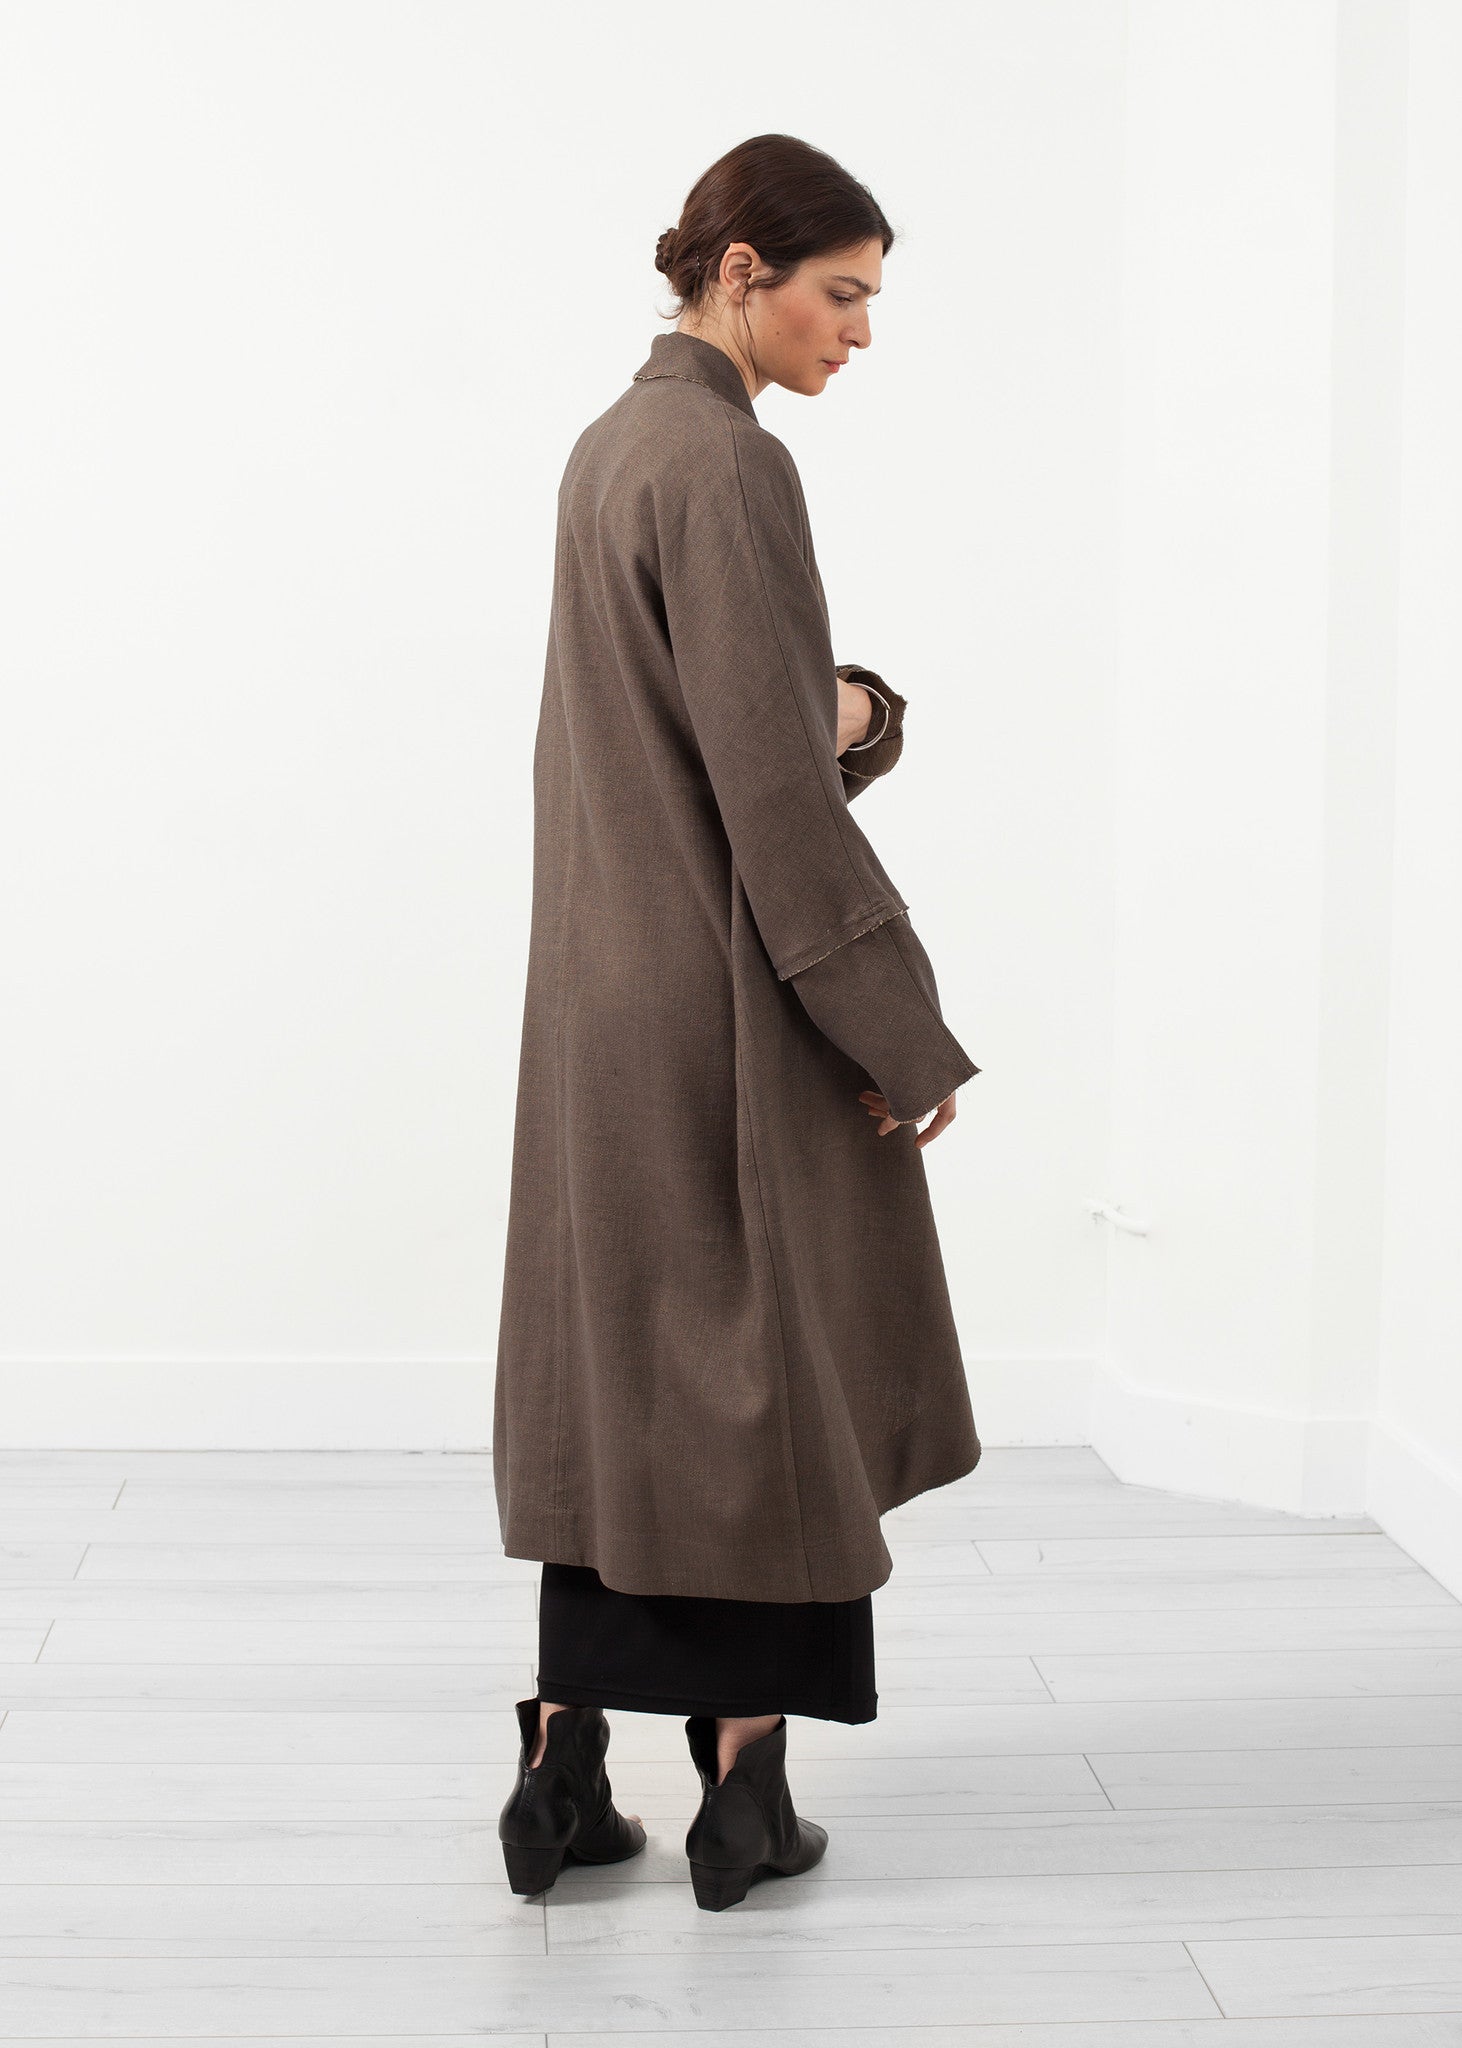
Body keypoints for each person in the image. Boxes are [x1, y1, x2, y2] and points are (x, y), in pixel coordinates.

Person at [494, 134, 983, 1913]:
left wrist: (822, 706)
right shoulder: (730, 464)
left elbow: (682, 728)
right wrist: (895, 1029)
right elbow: (772, 796)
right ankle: (743, 1796)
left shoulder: (609, 447)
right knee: (769, 1379)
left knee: (625, 1378)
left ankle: (560, 1773)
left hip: (598, 985)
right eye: (838, 293)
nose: (859, 331)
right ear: (738, 273)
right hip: (725, 987)